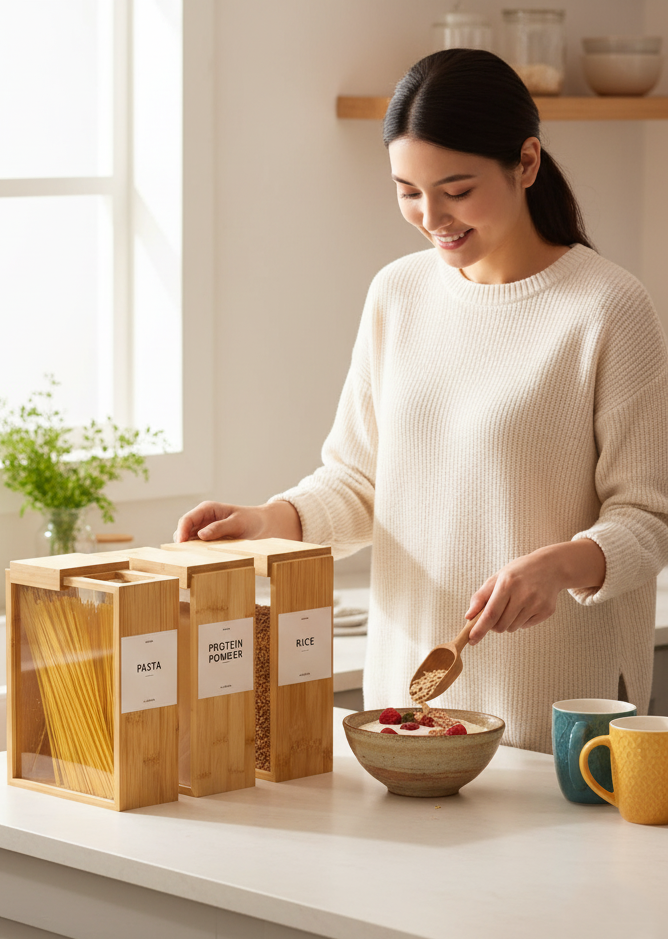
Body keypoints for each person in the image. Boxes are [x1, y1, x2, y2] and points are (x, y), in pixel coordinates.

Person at [175, 49, 668, 753]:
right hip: (409, 717)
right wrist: (269, 520)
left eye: (457, 190)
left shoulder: (610, 308)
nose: (431, 216)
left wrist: (561, 565)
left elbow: (650, 519)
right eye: (408, 190)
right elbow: (359, 481)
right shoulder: (397, 294)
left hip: (559, 724)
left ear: (526, 163)